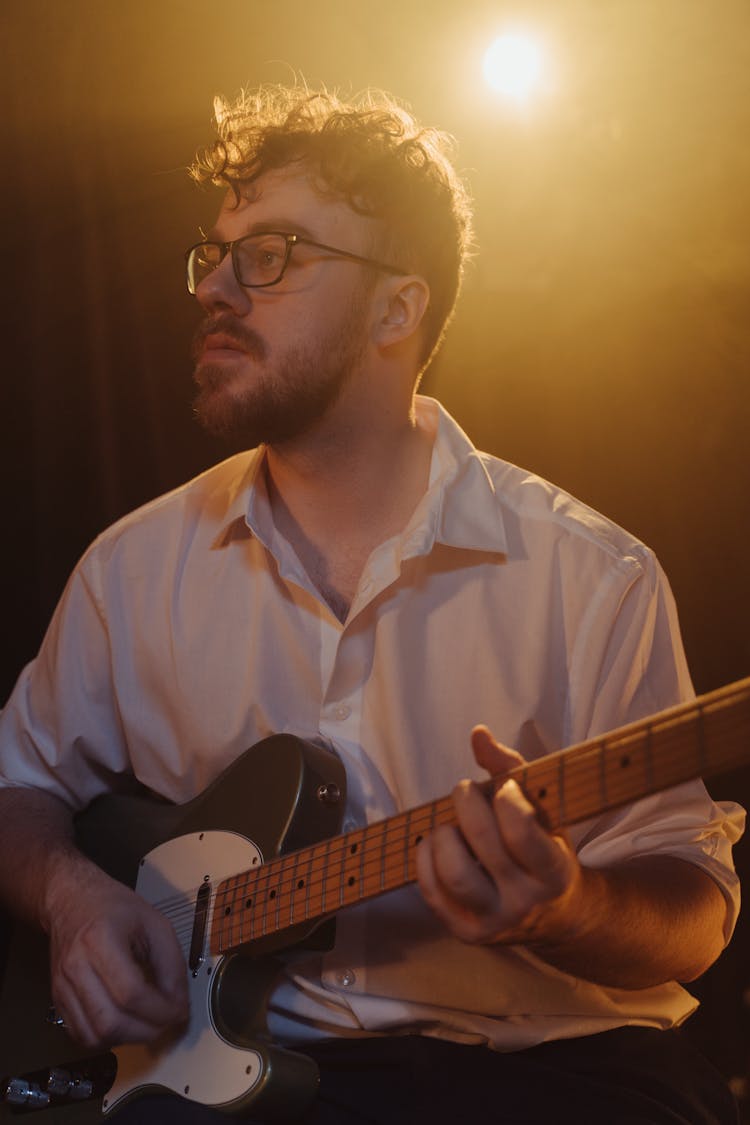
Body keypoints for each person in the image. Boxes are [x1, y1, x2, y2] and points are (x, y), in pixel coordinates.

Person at [0, 85, 744, 1124]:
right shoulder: (132, 568)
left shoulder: (593, 574)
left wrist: (568, 905)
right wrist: (76, 903)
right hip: (227, 1073)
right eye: (215, 255)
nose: (216, 286)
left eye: (274, 254)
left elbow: (694, 912)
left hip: (551, 1072)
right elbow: (16, 786)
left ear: (399, 308)